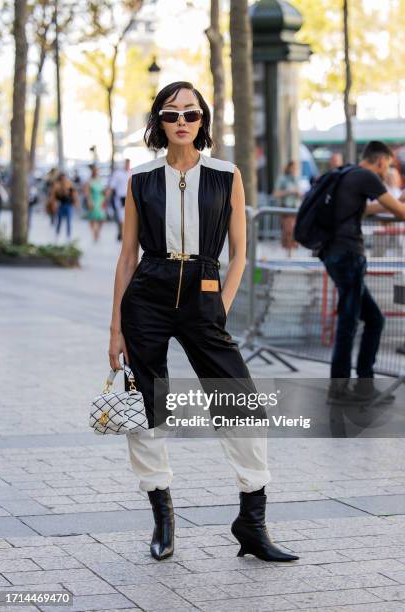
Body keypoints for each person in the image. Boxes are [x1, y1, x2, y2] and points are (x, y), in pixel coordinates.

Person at [108, 81, 299, 564]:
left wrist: (221, 308)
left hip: (204, 289)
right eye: (171, 115)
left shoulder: (225, 174)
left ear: (203, 121)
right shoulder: (141, 179)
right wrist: (115, 329)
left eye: (190, 115)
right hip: (147, 292)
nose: (181, 123)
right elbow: (127, 255)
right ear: (158, 122)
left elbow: (240, 252)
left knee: (241, 402)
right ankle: (163, 518)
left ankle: (251, 522)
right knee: (148, 408)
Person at [319, 141, 405, 404]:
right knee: (348, 322)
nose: (386, 170)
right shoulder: (368, 176)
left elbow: (366, 209)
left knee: (374, 319)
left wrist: (392, 204)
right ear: (380, 161)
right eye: (388, 166)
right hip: (349, 256)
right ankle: (341, 389)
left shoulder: (348, 174)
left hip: (334, 253)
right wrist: (398, 204)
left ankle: (362, 385)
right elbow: (400, 213)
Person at [272, 160, 302, 256]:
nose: (294, 170)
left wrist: (298, 193)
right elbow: (275, 193)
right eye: (293, 168)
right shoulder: (282, 178)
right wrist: (288, 191)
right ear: (289, 168)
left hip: (295, 208)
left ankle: (290, 252)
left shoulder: (297, 179)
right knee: (288, 229)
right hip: (285, 207)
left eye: (296, 168)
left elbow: (301, 194)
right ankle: (288, 253)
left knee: (293, 229)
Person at [49, 172, 79, 241]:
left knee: (69, 221)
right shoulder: (57, 186)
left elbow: (74, 194)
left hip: (69, 205)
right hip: (61, 205)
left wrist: (76, 203)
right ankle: (57, 234)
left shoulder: (69, 184)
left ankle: (68, 236)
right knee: (59, 221)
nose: (63, 179)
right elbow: (53, 196)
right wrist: (53, 204)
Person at [107, 159, 131, 241]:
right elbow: (111, 187)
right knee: (121, 219)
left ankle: (123, 234)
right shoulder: (117, 174)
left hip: (130, 199)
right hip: (120, 199)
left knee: (128, 219)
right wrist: (106, 198)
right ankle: (123, 235)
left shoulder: (131, 173)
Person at [84, 165, 106, 242]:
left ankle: (97, 232)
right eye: (95, 170)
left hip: (100, 200)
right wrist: (89, 201)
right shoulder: (89, 181)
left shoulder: (100, 180)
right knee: (93, 218)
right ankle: (94, 233)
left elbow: (103, 191)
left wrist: (104, 199)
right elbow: (87, 193)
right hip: (93, 200)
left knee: (102, 219)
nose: (96, 172)